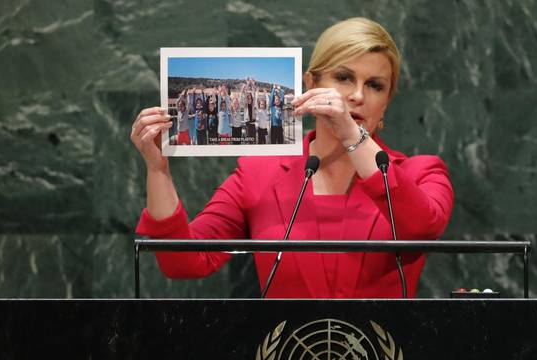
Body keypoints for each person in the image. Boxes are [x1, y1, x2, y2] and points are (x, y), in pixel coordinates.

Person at [130, 17, 454, 298]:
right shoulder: (258, 173)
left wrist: (352, 135)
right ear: (310, 84)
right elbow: (184, 263)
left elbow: (421, 231)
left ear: (386, 101)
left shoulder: (422, 173)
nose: (357, 95)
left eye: (375, 85)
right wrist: (157, 170)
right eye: (343, 78)